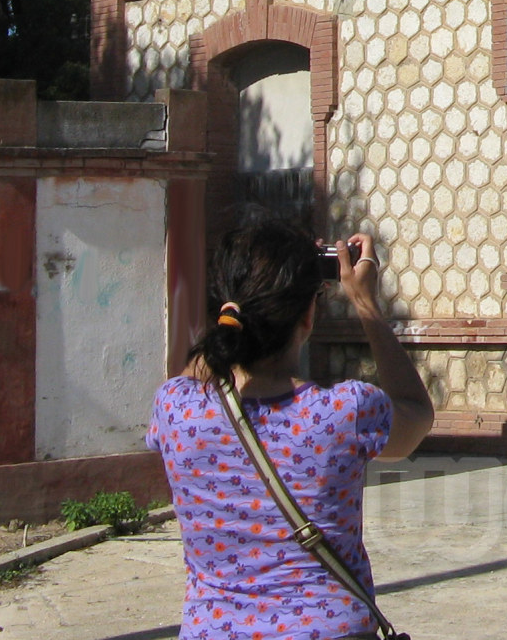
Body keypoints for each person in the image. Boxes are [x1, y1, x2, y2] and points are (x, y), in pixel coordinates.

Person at [147, 217, 434, 640]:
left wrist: (237, 309)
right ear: (307, 318)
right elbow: (416, 415)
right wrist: (365, 302)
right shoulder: (344, 412)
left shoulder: (176, 410)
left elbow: (203, 367)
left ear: (227, 310)